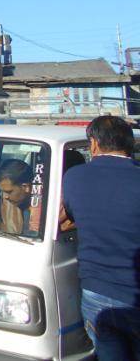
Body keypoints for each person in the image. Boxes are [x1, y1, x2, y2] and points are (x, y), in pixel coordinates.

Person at [62, 116, 140, 360]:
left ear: (93, 144)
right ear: (130, 144)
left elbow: (64, 219)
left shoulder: (74, 178)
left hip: (96, 292)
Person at [0, 159, 37, 236]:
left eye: (9, 192)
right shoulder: (8, 202)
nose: (5, 197)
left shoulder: (44, 210)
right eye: (1, 191)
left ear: (26, 187)